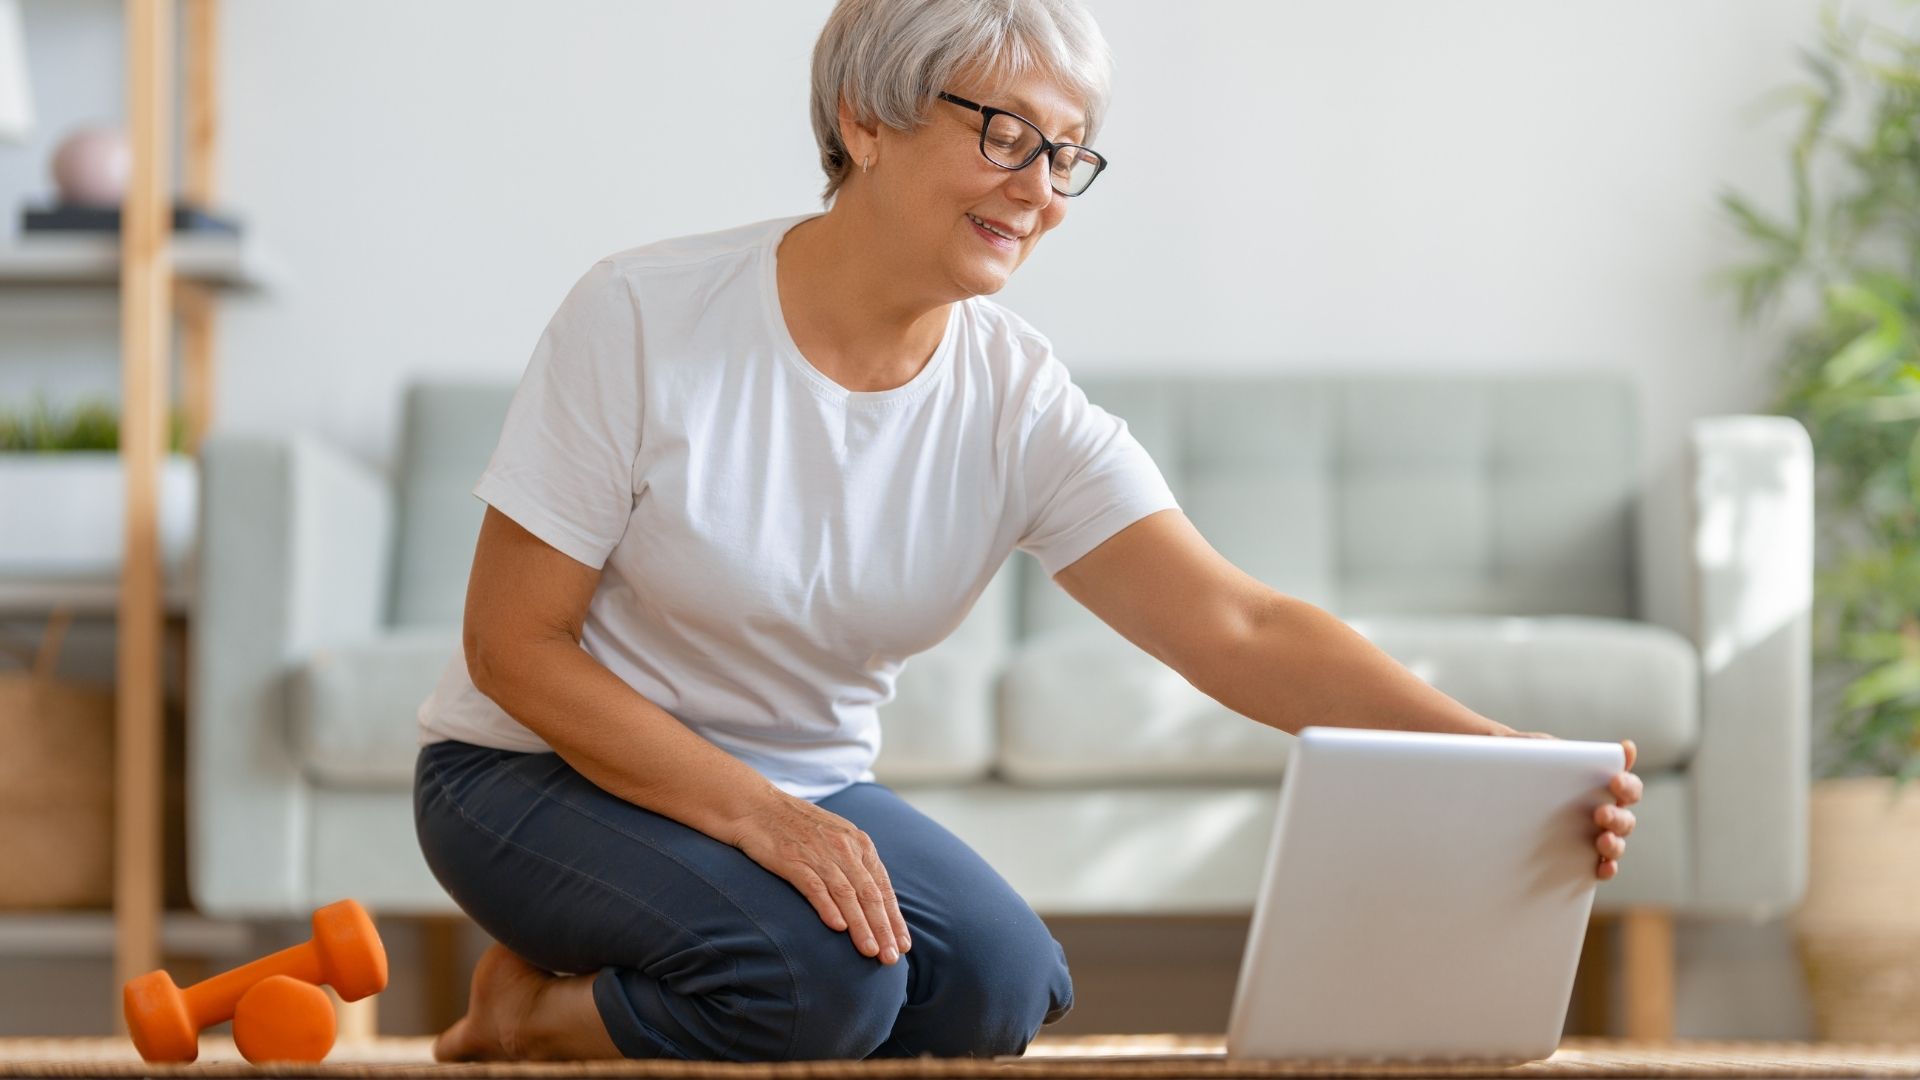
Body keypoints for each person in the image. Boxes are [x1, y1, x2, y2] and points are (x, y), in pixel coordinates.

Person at [412, 0, 1643, 1063]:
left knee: (1000, 990)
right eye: (1005, 133)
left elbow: (1235, 623)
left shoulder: (1014, 397)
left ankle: (614, 995)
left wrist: (1496, 756)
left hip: (806, 781)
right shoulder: (643, 314)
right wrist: (757, 816)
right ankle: (524, 1022)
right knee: (824, 984)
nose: (1041, 188)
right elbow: (515, 647)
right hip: (534, 775)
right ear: (865, 120)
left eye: (1068, 155)